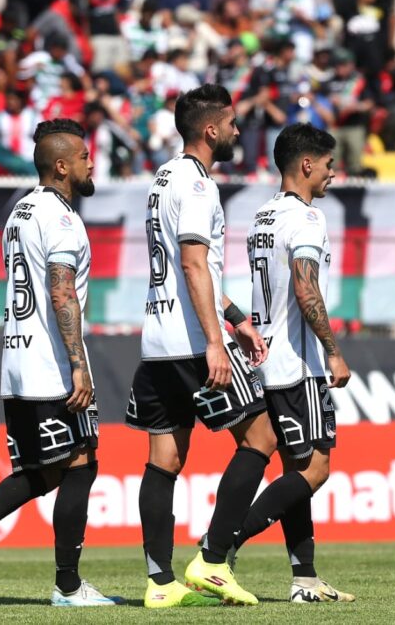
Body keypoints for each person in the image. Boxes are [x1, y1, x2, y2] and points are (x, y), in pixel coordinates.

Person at [0, 119, 120, 607]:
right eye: (84, 156)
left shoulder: (19, 211)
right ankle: (68, 587)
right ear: (62, 165)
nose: (91, 163)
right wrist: (78, 364)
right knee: (82, 465)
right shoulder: (62, 218)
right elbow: (62, 290)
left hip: (16, 364)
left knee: (45, 471)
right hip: (51, 367)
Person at [127, 84, 273, 608]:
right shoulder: (198, 186)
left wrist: (235, 320)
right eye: (232, 123)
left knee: (164, 458)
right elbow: (192, 263)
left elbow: (198, 269)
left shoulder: (163, 178)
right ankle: (212, 560)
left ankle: (159, 583)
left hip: (157, 338)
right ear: (210, 130)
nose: (237, 130)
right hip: (192, 341)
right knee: (260, 438)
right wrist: (216, 340)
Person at [227, 123, 355, 604]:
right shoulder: (306, 218)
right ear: (306, 164)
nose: (331, 175)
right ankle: (222, 544)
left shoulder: (262, 216)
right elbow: (306, 289)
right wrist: (333, 349)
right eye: (327, 166)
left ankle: (304, 578)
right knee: (316, 469)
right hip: (296, 364)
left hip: (263, 357)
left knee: (294, 468)